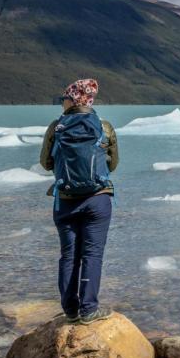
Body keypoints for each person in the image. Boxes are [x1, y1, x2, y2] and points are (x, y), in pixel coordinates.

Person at [39, 79, 119, 325]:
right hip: (97, 199)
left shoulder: (56, 127)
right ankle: (89, 309)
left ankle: (71, 310)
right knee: (92, 255)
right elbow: (112, 165)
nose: (61, 102)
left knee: (68, 255)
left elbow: (45, 163)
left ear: (73, 100)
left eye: (64, 98)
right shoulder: (104, 127)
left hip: (65, 201)